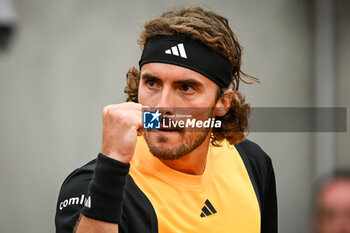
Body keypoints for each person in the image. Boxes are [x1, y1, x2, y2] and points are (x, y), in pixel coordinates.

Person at [55, 6, 277, 233]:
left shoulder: (250, 161)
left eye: (186, 88)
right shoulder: (93, 185)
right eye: (152, 83)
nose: (162, 106)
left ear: (222, 102)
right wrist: (112, 162)